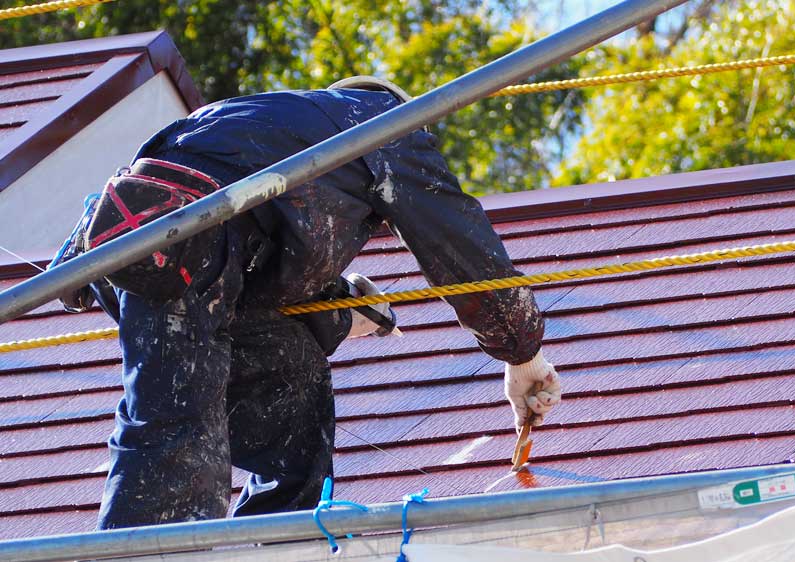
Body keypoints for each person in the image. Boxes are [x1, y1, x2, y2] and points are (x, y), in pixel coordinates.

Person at [52, 77, 562, 530]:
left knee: (293, 384)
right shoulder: (386, 126)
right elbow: (463, 251)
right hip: (186, 247)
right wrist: (523, 353)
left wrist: (336, 312)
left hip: (135, 253)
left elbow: (248, 247)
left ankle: (272, 541)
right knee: (176, 443)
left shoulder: (261, 120)